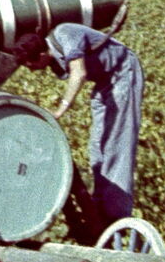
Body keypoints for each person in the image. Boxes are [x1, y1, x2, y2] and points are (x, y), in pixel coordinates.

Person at [16, 22, 144, 233]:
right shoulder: (53, 59)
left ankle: (117, 217)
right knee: (97, 147)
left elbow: (79, 73)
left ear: (40, 56)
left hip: (123, 73)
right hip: (104, 83)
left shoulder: (65, 34)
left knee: (117, 145)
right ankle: (101, 204)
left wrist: (60, 110)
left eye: (30, 65)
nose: (32, 71)